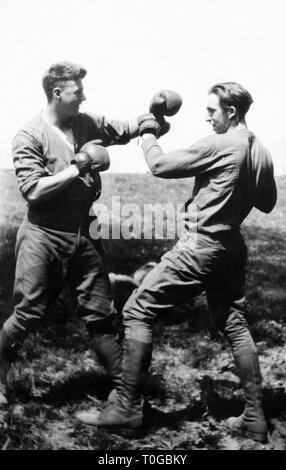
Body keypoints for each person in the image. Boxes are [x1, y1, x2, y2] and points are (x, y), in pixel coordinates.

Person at [76, 82, 277, 443]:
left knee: (137, 310)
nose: (206, 116)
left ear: (231, 112)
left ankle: (126, 408)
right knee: (235, 323)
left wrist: (149, 132)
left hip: (201, 246)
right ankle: (255, 416)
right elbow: (267, 203)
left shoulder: (218, 143)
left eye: (212, 111)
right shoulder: (260, 149)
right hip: (232, 247)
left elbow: (158, 165)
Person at [0, 61, 169, 407]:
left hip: (85, 230)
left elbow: (122, 128)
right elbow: (32, 190)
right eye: (78, 92)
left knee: (100, 313)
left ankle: (127, 392)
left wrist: (150, 121)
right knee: (29, 312)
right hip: (44, 234)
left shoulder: (86, 122)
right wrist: (80, 166)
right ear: (57, 93)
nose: (84, 97)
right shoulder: (29, 135)